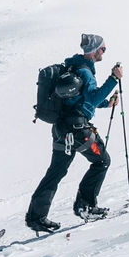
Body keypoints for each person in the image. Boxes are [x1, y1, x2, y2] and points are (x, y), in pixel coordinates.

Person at [26, 33, 121, 233]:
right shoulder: (85, 72)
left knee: (56, 171)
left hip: (61, 128)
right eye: (103, 48)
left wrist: (107, 103)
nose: (104, 52)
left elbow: (80, 100)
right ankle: (85, 206)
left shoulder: (73, 67)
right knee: (102, 160)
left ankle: (36, 217)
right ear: (95, 50)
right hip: (78, 129)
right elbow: (93, 98)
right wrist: (113, 78)